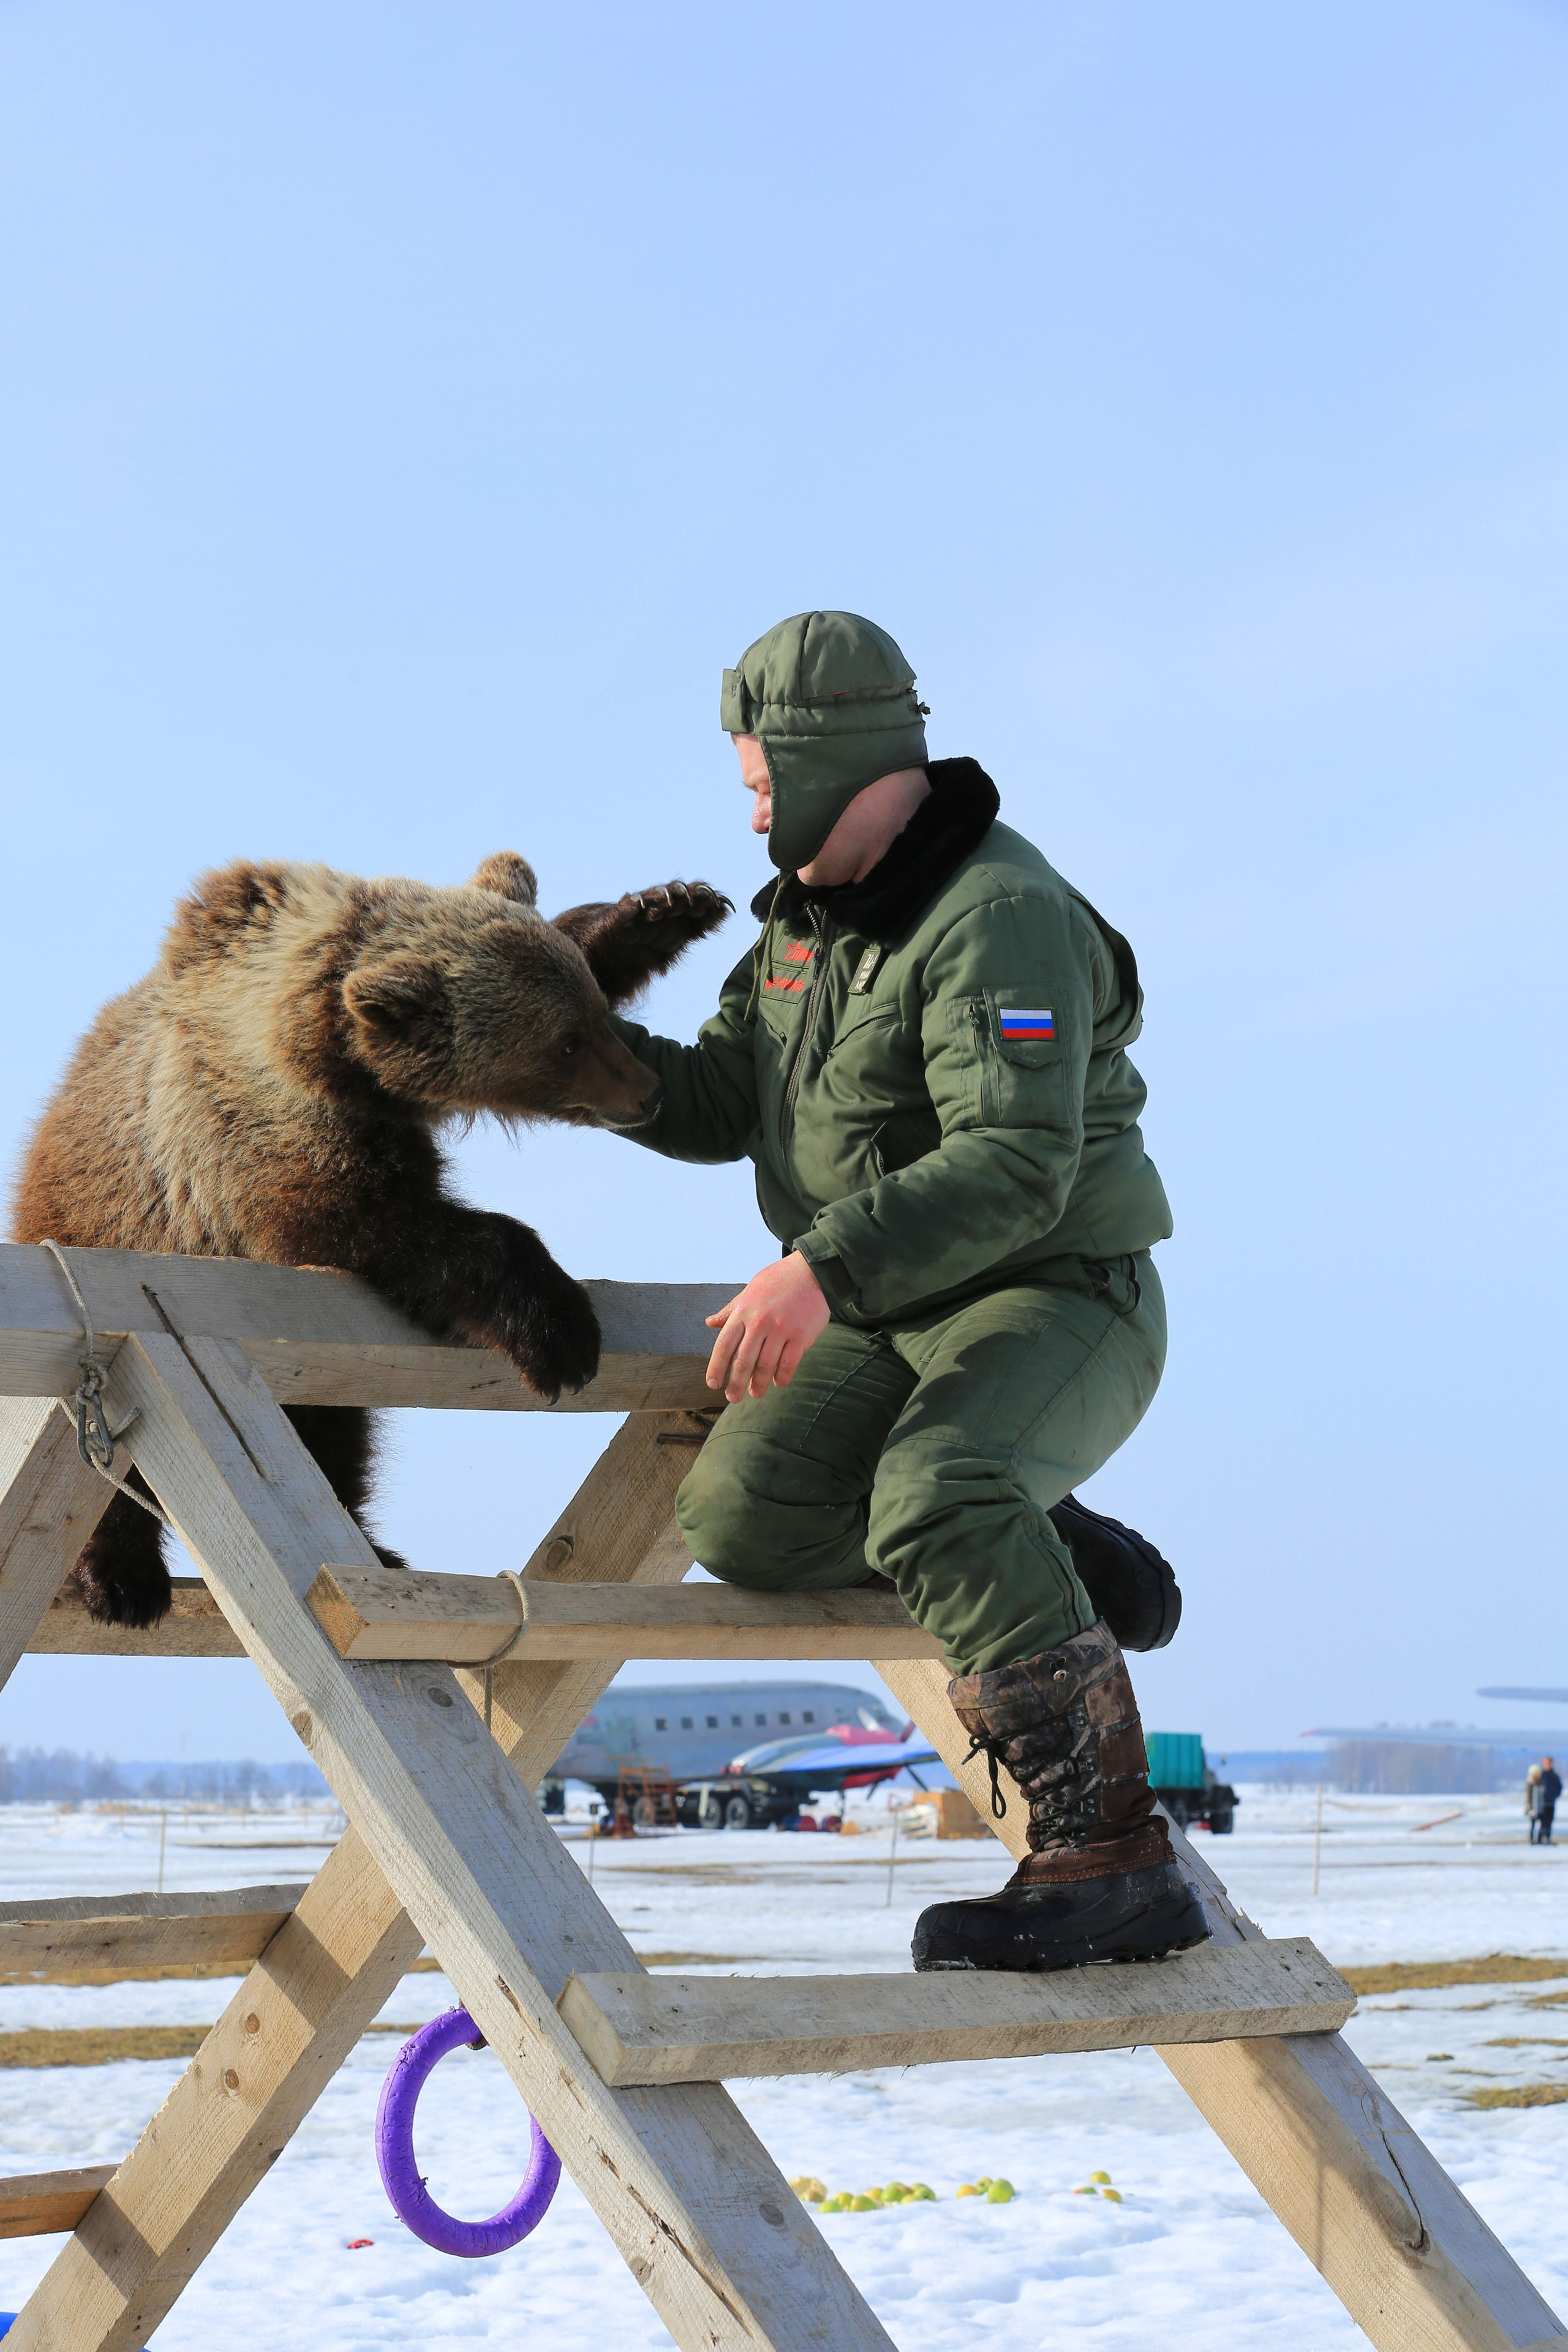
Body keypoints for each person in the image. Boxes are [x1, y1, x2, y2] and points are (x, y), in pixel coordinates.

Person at [611, 611, 1208, 1972]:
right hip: (896, 1309)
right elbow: (717, 1097)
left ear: (829, 760)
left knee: (934, 1493)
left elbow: (1014, 1163)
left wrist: (819, 1266)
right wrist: (575, 1054)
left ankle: (1111, 1857)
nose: (750, 805)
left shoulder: (997, 914)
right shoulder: (798, 934)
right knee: (743, 1517)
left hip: (1053, 1292)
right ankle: (1040, 1535)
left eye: (760, 777)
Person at [1534, 1757, 1561, 1845]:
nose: (1548, 1765)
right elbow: (1535, 1789)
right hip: (1542, 1803)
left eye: (1549, 1763)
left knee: (1550, 1822)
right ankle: (1540, 1839)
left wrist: (1555, 1795)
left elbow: (1559, 1788)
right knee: (1543, 1823)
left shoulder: (1555, 1776)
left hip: (1551, 1803)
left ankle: (1548, 1838)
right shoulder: (1541, 1776)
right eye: (1546, 1763)